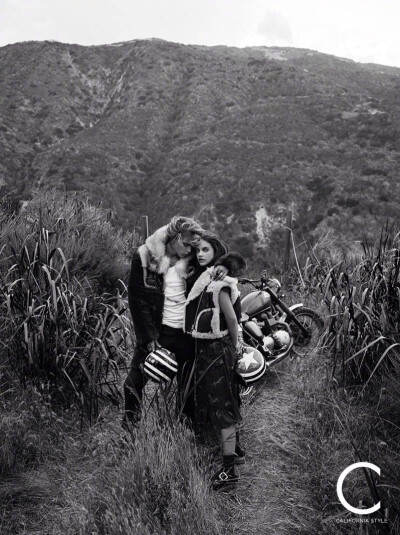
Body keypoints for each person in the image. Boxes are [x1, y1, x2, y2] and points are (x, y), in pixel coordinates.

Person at [123, 216, 227, 427]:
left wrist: (226, 266)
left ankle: (184, 429)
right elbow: (137, 300)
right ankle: (131, 429)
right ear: (175, 237)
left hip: (187, 333)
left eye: (193, 246)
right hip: (158, 333)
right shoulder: (144, 257)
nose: (190, 250)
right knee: (132, 384)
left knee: (187, 388)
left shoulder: (193, 259)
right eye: (187, 245)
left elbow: (218, 250)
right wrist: (149, 337)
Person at [184, 232, 246, 489]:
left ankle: (229, 471)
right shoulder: (205, 279)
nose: (200, 254)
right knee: (224, 403)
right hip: (209, 350)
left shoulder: (218, 284)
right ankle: (236, 452)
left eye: (206, 250)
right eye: (198, 250)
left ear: (216, 253)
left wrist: (236, 347)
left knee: (223, 410)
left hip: (217, 351)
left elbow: (231, 319)